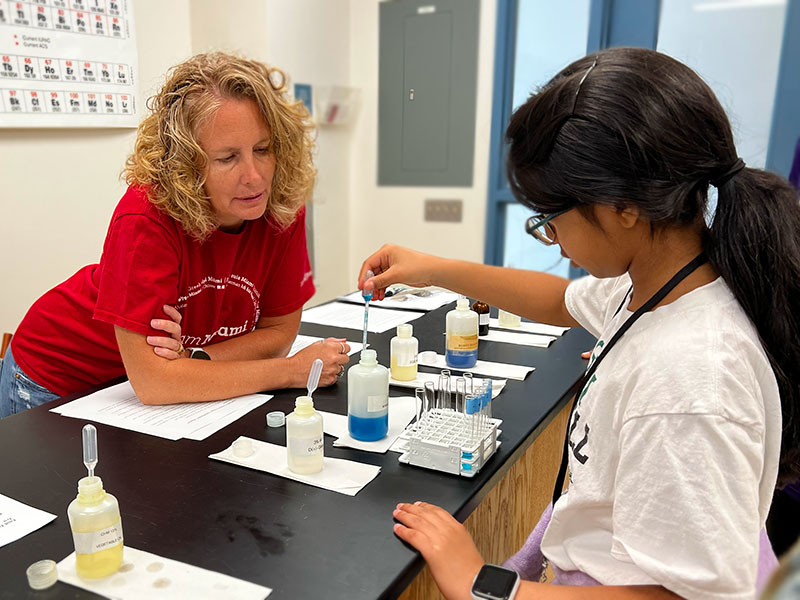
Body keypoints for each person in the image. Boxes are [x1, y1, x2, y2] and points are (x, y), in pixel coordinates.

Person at [360, 47, 800, 599]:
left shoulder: (690, 377)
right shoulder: (663, 282)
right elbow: (559, 300)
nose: (553, 240)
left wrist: (484, 584)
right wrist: (433, 268)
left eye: (551, 219)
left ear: (623, 207)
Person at [0, 52, 349, 415]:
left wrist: (192, 361)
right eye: (227, 158)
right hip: (57, 376)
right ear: (185, 163)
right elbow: (155, 383)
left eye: (262, 150)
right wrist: (291, 371)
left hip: (134, 388)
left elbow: (277, 334)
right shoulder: (146, 215)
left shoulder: (280, 206)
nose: (254, 176)